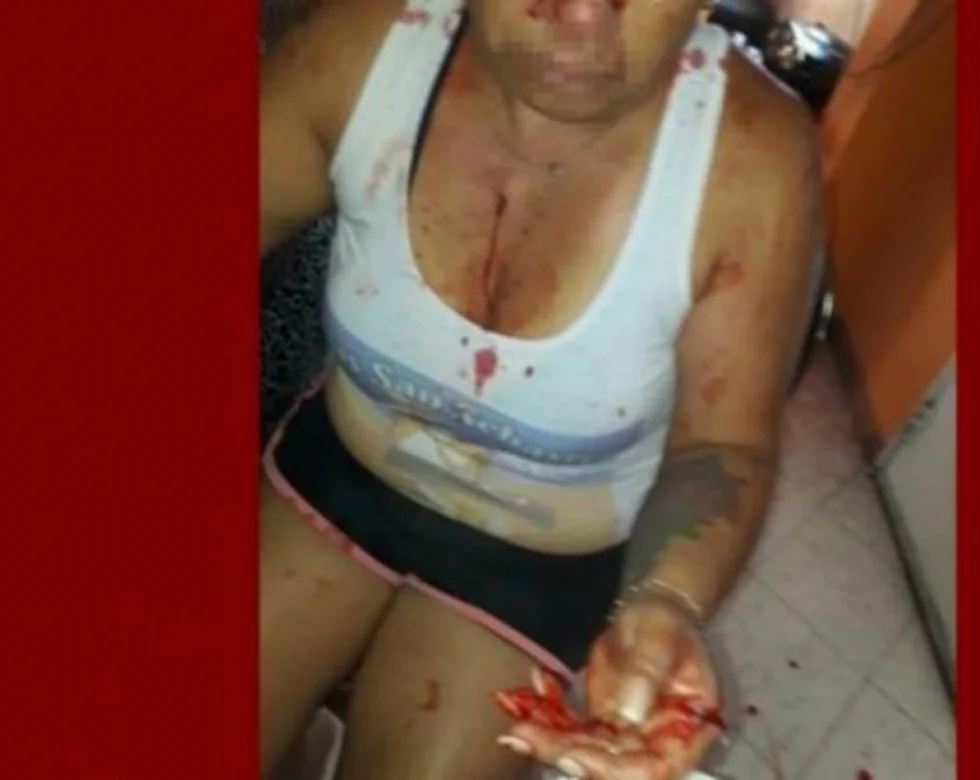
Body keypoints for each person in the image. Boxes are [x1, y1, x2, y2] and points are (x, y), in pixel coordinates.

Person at [259, 0, 822, 777]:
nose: (584, 13)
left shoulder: (754, 157)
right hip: (342, 471)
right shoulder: (364, 47)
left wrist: (667, 599)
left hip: (544, 560)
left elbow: (721, 444)